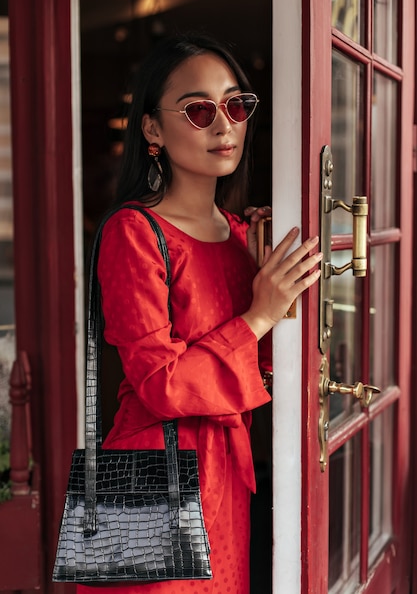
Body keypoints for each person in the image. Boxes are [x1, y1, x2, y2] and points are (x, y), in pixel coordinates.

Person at [78, 32, 322, 594]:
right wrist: (259, 314)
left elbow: (264, 373)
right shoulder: (134, 232)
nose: (224, 124)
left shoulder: (239, 235)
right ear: (152, 129)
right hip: (152, 473)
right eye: (198, 109)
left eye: (235, 105)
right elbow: (161, 384)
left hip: (226, 480)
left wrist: (266, 279)